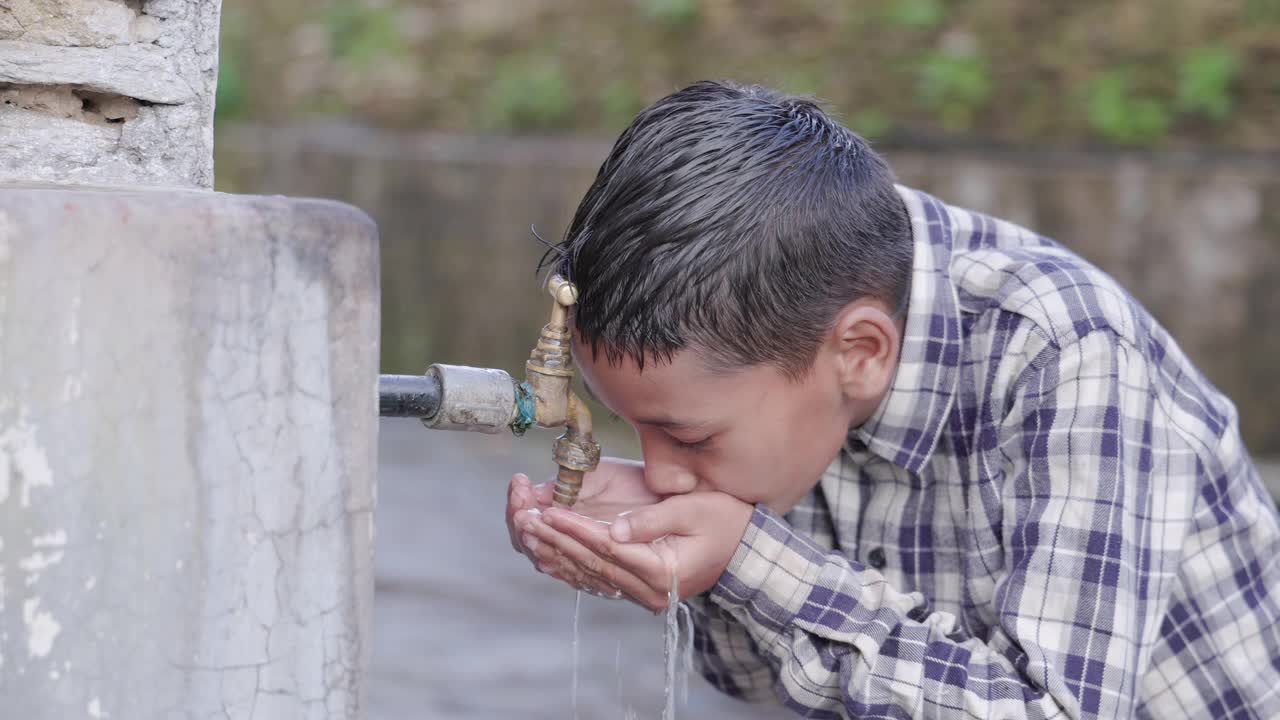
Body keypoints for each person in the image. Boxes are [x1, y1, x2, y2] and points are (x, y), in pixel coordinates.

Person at [504, 80, 1280, 719]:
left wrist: (745, 556)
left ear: (861, 352)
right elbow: (760, 684)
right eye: (636, 428)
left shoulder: (1069, 354)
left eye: (691, 439)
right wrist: (678, 558)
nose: (663, 471)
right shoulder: (799, 319)